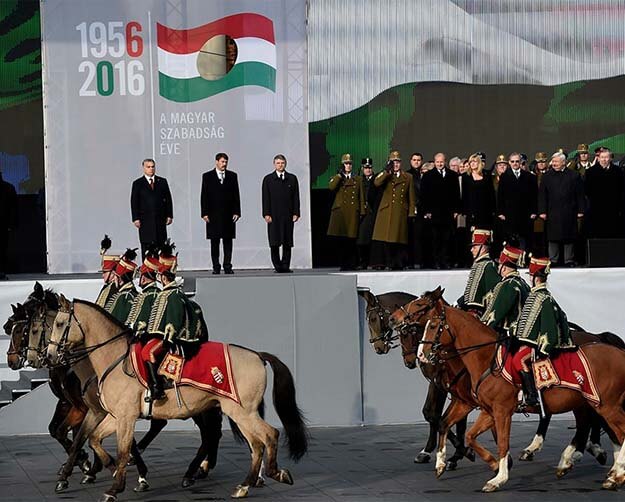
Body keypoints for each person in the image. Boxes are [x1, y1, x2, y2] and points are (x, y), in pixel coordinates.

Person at [144, 242, 205, 401]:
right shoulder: (167, 293)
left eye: (160, 276)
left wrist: (168, 338)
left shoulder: (174, 295)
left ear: (164, 277)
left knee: (149, 352)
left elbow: (173, 320)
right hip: (162, 335)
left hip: (173, 339)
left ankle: (157, 388)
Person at [515, 256, 575, 406]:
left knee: (519, 360)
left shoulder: (544, 298)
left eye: (531, 276)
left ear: (536, 278)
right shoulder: (536, 295)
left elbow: (549, 330)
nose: (530, 279)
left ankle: (532, 396)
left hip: (539, 346)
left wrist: (542, 350)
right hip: (530, 342)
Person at [538, 152, 585, 267]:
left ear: (564, 162)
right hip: (552, 211)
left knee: (569, 236)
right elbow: (542, 195)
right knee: (553, 237)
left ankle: (569, 260)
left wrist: (581, 210)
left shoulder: (574, 175)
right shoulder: (547, 176)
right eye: (553, 161)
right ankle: (553, 260)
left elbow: (579, 194)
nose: (554, 164)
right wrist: (542, 211)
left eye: (556, 162)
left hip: (569, 211)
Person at [372, 151, 417, 270]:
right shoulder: (386, 175)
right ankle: (389, 262)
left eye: (397, 162)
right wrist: (387, 171)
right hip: (387, 211)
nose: (395, 164)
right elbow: (376, 182)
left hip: (400, 211)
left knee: (399, 239)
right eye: (393, 162)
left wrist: (411, 212)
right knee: (386, 239)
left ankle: (399, 263)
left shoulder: (408, 177)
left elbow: (411, 197)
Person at [200, 153, 241, 274]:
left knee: (228, 241)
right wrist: (204, 213)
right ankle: (216, 266)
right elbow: (204, 196)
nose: (224, 164)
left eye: (226, 162)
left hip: (228, 214)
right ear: (216, 162)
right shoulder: (207, 176)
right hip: (213, 214)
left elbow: (236, 195)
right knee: (215, 242)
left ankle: (227, 266)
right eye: (222, 161)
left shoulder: (232, 176)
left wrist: (237, 211)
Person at [420, 152, 460, 269]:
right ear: (434, 162)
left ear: (445, 161)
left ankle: (445, 261)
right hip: (434, 213)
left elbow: (456, 194)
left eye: (441, 162)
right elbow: (424, 195)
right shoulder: (428, 176)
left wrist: (456, 210)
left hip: (448, 213)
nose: (439, 164)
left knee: (447, 239)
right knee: (435, 239)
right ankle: (436, 261)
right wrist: (426, 211)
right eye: (437, 162)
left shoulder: (452, 175)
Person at [481, 243, 530, 336]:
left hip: (507, 335)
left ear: (503, 268)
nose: (498, 267)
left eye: (499, 264)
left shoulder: (508, 285)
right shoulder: (523, 283)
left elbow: (495, 313)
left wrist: (482, 329)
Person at [262, 154, 300, 273]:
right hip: (274, 215)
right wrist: (266, 213)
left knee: (287, 241)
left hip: (288, 214)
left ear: (285, 164)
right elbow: (265, 198)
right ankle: (277, 266)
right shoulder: (268, 179)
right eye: (278, 163)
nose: (280, 165)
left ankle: (285, 265)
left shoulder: (292, 178)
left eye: (282, 163)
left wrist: (296, 212)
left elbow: (296, 197)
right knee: (274, 241)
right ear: (274, 164)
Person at [327, 154, 365, 270]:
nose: (348, 166)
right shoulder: (338, 178)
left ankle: (352, 264)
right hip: (340, 212)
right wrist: (339, 175)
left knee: (351, 240)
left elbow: (361, 196)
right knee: (341, 240)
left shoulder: (357, 179)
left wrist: (362, 211)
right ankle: (343, 264)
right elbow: (331, 187)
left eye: (349, 164)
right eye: (346, 164)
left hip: (353, 211)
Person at [131, 158, 174, 259]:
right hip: (145, 220)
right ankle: (147, 268)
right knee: (147, 246)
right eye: (148, 167)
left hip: (160, 220)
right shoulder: (138, 183)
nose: (151, 169)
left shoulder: (162, 181)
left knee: (161, 245)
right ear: (144, 168)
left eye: (153, 167)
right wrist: (135, 218)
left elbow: (168, 199)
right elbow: (134, 202)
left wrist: (169, 215)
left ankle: (161, 267)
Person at [496, 152, 537, 249]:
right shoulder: (504, 177)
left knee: (525, 241)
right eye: (513, 161)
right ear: (509, 162)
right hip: (509, 214)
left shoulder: (529, 177)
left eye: (517, 161)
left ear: (521, 162)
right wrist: (500, 212)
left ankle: (524, 257)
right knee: (511, 240)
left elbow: (534, 196)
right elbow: (500, 196)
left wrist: (534, 211)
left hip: (526, 214)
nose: (515, 163)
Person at [457, 229, 500, 315]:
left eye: (474, 247)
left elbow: (493, 294)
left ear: (482, 248)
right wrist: (458, 303)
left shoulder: (489, 266)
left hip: (479, 313)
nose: (471, 250)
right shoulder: (479, 264)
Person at [584, 147, 624, 239]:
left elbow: (621, 189)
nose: (604, 160)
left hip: (614, 209)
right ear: (598, 158)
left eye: (606, 157)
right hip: (596, 209)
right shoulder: (590, 172)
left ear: (610, 158)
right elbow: (587, 190)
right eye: (602, 157)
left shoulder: (618, 171)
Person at [126, 246, 161, 333]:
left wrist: (132, 326)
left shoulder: (149, 295)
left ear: (144, 278)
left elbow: (142, 322)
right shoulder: (154, 293)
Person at [105, 248, 138, 322]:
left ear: (120, 279)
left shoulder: (124, 296)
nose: (114, 279)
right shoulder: (132, 293)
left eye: (116, 277)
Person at [356, 157, 378, 269]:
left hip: (374, 212)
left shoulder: (376, 179)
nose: (368, 170)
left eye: (369, 168)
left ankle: (374, 262)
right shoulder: (359, 180)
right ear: (362, 168)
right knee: (362, 239)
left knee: (374, 239)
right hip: (363, 212)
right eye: (366, 168)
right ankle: (363, 262)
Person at [405, 153, 424, 269]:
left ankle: (420, 261)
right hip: (411, 209)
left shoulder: (425, 174)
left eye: (418, 160)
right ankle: (410, 261)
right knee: (410, 236)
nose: (416, 162)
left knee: (421, 236)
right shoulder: (407, 175)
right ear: (410, 161)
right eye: (414, 160)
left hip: (423, 209)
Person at [0, 171, 17, 280]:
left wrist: (11, 224)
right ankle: (1, 271)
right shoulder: (9, 188)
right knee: (2, 248)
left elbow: (13, 208)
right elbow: (14, 209)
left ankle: (1, 271)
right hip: (4, 224)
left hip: (4, 224)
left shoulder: (9, 188)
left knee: (2, 248)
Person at [95, 235, 120, 308]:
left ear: (113, 273)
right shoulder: (107, 287)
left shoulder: (115, 289)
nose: (103, 275)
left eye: (105, 272)